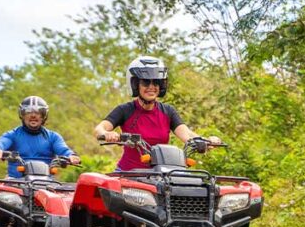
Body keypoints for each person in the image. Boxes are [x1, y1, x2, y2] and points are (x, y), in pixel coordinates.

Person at [93, 56, 221, 171]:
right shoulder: (125, 110)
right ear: (135, 84)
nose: (151, 86)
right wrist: (107, 134)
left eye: (156, 82)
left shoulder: (168, 111)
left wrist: (205, 141)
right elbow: (99, 129)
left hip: (160, 174)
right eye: (146, 82)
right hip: (128, 175)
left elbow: (187, 134)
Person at [0, 96, 81, 177]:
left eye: (38, 112)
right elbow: (1, 142)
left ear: (44, 116)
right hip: (15, 183)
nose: (33, 115)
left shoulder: (53, 137)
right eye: (28, 112)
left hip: (47, 183)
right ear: (22, 115)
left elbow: (63, 149)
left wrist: (71, 156)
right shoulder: (12, 134)